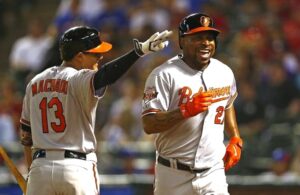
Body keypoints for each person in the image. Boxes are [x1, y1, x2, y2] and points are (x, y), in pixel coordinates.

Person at [19, 25, 172, 195]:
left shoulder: (34, 82)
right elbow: (107, 75)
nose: (100, 57)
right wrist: (139, 52)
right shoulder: (77, 78)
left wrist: (31, 171)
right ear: (79, 56)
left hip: (40, 169)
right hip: (76, 168)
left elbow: (26, 136)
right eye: (95, 53)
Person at [141, 13, 243, 195]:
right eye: (198, 37)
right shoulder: (163, 75)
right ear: (182, 41)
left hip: (213, 173)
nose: (206, 42)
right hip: (173, 175)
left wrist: (235, 138)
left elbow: (228, 105)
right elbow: (149, 124)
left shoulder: (224, 72)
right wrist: (185, 110)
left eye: (210, 38)